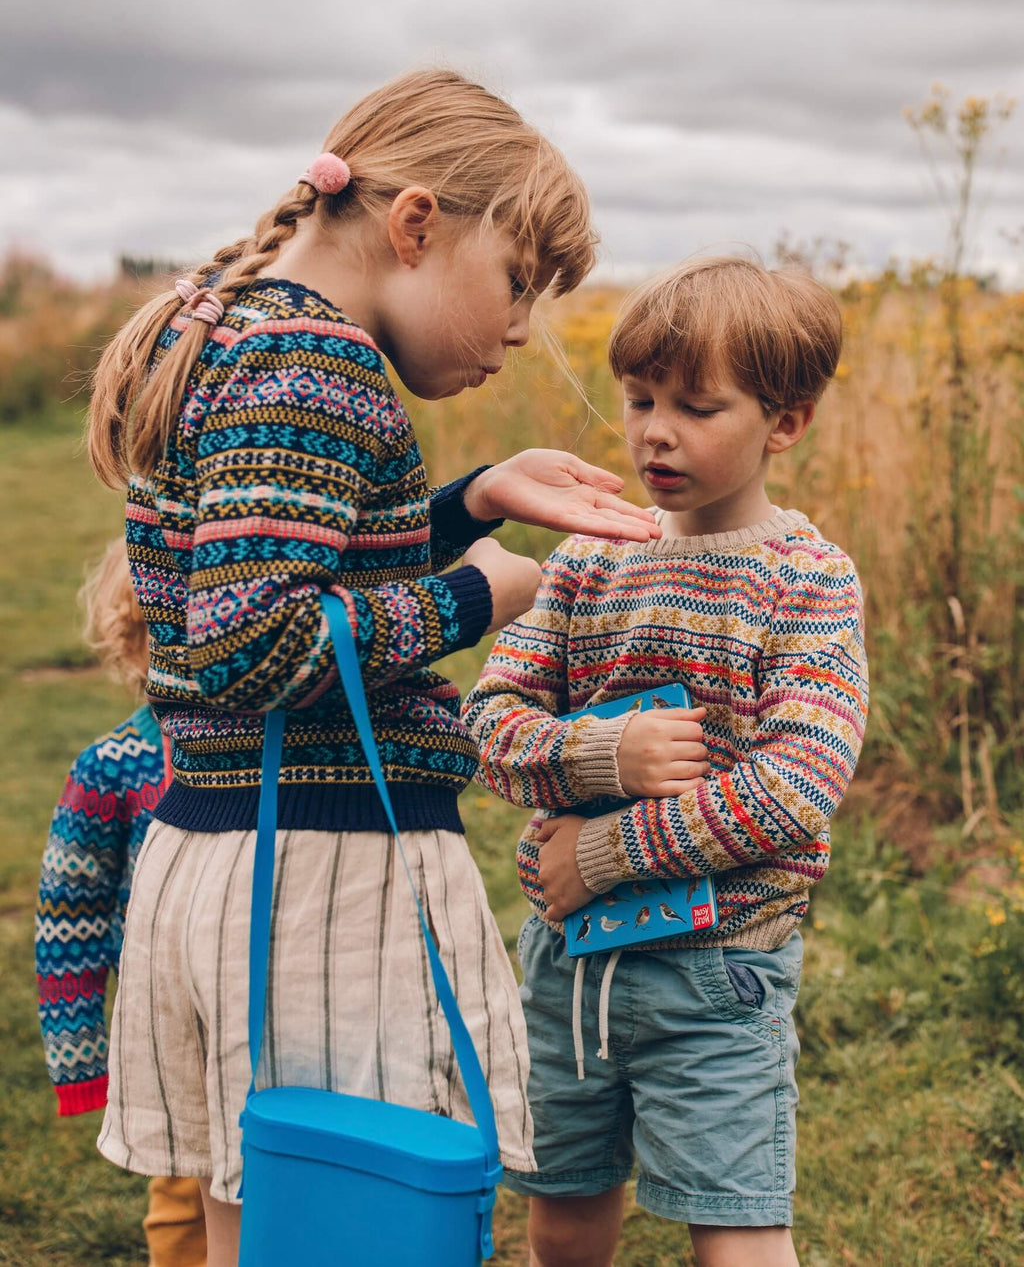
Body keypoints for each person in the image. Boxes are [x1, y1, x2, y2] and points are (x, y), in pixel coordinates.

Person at [85, 68, 661, 1265]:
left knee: (285, 1200)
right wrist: (474, 594)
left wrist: (464, 504)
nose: (521, 328)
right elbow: (256, 645)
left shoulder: (241, 333)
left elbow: (280, 563)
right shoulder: (319, 365)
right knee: (352, 1209)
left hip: (232, 844)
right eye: (516, 285)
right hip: (321, 871)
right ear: (414, 226)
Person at [463, 255, 870, 1267]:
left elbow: (792, 791)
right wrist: (602, 752)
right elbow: (490, 727)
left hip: (719, 973)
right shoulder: (588, 557)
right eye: (640, 399)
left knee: (736, 1226)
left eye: (696, 406)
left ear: (786, 422)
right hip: (568, 969)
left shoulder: (805, 580)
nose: (654, 430)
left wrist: (601, 854)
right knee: (559, 1210)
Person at [35, 538, 207, 1266]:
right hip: (167, 1019)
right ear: (133, 645)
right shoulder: (111, 768)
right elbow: (67, 920)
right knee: (181, 1193)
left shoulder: (285, 757)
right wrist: (80, 1060)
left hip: (271, 1001)